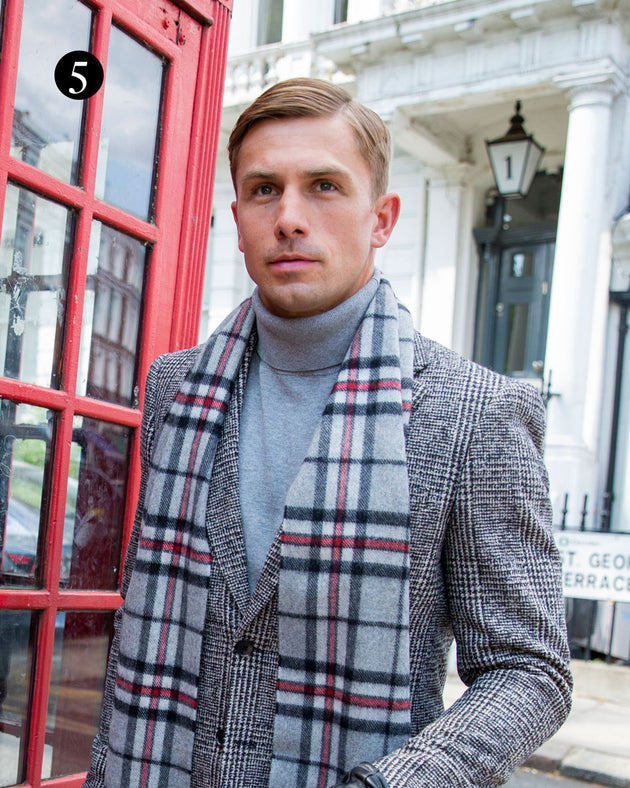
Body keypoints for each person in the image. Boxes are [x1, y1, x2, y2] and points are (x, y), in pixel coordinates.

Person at [84, 77, 572, 788]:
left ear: (381, 218)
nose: (289, 217)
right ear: (238, 216)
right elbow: (141, 628)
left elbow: (529, 669)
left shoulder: (477, 412)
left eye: (323, 186)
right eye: (263, 190)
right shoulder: (173, 386)